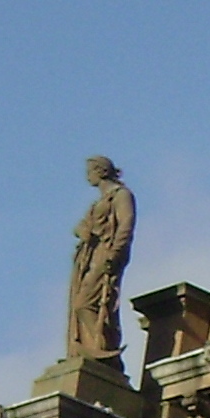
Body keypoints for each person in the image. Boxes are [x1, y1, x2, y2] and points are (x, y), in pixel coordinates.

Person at [66, 155, 133, 362]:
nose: (87, 177)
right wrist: (82, 231)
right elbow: (79, 226)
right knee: (81, 304)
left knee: (84, 303)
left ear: (101, 171)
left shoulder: (121, 195)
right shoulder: (98, 203)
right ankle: (95, 346)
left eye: (90, 172)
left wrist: (114, 253)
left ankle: (102, 346)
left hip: (106, 253)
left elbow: (126, 224)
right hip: (89, 257)